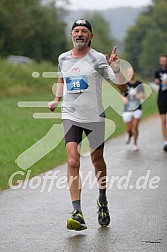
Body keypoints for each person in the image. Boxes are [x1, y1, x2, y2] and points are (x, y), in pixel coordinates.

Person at [48, 19, 126, 231]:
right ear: (71, 35)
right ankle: (77, 211)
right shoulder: (63, 58)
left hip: (94, 116)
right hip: (71, 115)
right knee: (73, 161)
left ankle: (102, 199)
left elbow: (121, 86)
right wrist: (57, 99)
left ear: (91, 36)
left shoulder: (98, 58)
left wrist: (117, 69)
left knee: (97, 159)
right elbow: (62, 78)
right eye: (76, 30)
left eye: (84, 31)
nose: (80, 34)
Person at [120, 67, 145, 151]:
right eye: (129, 72)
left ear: (135, 73)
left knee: (135, 126)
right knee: (129, 129)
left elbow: (143, 95)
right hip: (127, 109)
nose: (131, 73)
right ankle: (129, 134)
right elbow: (119, 93)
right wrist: (123, 98)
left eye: (132, 72)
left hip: (137, 108)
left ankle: (135, 143)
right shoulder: (124, 84)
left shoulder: (139, 83)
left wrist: (137, 95)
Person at [154, 54, 167, 152]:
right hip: (162, 98)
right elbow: (156, 81)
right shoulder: (158, 72)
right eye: (162, 60)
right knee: (163, 121)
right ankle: (165, 142)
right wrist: (158, 82)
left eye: (165, 60)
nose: (163, 62)